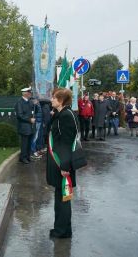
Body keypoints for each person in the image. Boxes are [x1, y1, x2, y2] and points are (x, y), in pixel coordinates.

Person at [46, 88, 77, 239]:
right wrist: (54, 114)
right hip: (61, 163)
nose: (51, 99)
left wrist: (65, 167)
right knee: (61, 198)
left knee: (63, 200)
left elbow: (66, 142)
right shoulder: (62, 114)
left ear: (61, 100)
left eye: (54, 98)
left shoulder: (66, 115)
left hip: (62, 165)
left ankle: (62, 231)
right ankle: (63, 229)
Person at [15, 87, 35, 164]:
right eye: (29, 92)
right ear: (25, 93)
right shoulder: (19, 102)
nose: (30, 94)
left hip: (30, 126)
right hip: (24, 126)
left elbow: (32, 111)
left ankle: (27, 156)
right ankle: (22, 158)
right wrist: (29, 119)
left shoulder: (30, 102)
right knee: (24, 143)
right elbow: (20, 115)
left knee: (29, 143)